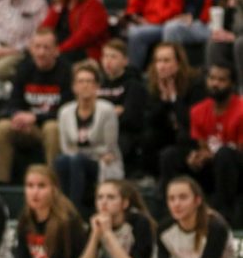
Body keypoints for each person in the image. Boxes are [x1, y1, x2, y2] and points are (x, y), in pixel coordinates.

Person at [158, 61, 243, 227]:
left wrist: (211, 155)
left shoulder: (241, 109)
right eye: (212, 78)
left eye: (221, 80)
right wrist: (197, 157)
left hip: (235, 168)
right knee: (170, 155)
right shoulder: (198, 110)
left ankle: (224, 215)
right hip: (214, 166)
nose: (215, 84)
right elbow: (203, 145)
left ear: (232, 84)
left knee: (225, 155)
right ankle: (173, 213)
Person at [0, 28, 72, 183]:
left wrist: (35, 117)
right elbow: (13, 101)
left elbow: (66, 111)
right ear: (31, 49)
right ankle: (0, 183)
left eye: (46, 48)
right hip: (28, 128)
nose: (41, 53)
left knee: (52, 128)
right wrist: (17, 116)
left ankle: (52, 182)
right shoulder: (24, 69)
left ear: (56, 51)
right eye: (37, 47)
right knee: (2, 127)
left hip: (52, 125)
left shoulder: (66, 72)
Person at [139, 176, 243, 258]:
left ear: (197, 200)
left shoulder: (215, 227)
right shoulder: (164, 229)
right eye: (171, 199)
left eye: (183, 197)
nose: (176, 204)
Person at [56, 61, 123, 215]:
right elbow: (65, 147)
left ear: (97, 87)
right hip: (79, 161)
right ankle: (63, 210)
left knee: (76, 159)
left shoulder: (107, 110)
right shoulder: (65, 112)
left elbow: (109, 147)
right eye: (80, 81)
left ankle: (74, 212)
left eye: (89, 81)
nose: (85, 85)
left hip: (103, 165)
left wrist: (81, 152)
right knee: (62, 160)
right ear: (74, 87)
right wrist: (90, 152)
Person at [71, 180, 156, 258]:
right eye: (100, 197)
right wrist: (95, 235)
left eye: (111, 197)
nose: (104, 202)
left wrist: (108, 234)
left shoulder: (139, 223)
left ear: (124, 203)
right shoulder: (97, 223)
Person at [143, 42, 205, 185]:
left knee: (173, 148)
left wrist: (174, 98)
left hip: (191, 139)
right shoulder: (154, 84)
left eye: (166, 60)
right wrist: (164, 101)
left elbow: (191, 122)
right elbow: (150, 120)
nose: (161, 66)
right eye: (158, 61)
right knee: (149, 137)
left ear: (178, 63)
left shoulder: (195, 84)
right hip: (169, 134)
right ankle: (153, 178)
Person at [97, 39, 147, 177]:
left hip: (123, 134)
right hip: (97, 131)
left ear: (125, 60)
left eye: (113, 56)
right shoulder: (98, 83)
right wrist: (113, 112)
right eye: (105, 56)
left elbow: (131, 117)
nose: (108, 61)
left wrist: (104, 115)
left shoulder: (133, 84)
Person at [41, 0, 110, 62]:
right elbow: (45, 28)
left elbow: (85, 35)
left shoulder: (93, 4)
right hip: (60, 50)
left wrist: (59, 50)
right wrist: (40, 47)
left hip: (84, 53)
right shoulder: (60, 4)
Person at [205, 0, 243, 84]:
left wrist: (239, 2)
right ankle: (217, 86)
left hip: (240, 40)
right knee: (214, 43)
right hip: (235, 38)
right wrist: (231, 2)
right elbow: (224, 25)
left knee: (240, 44)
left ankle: (241, 91)